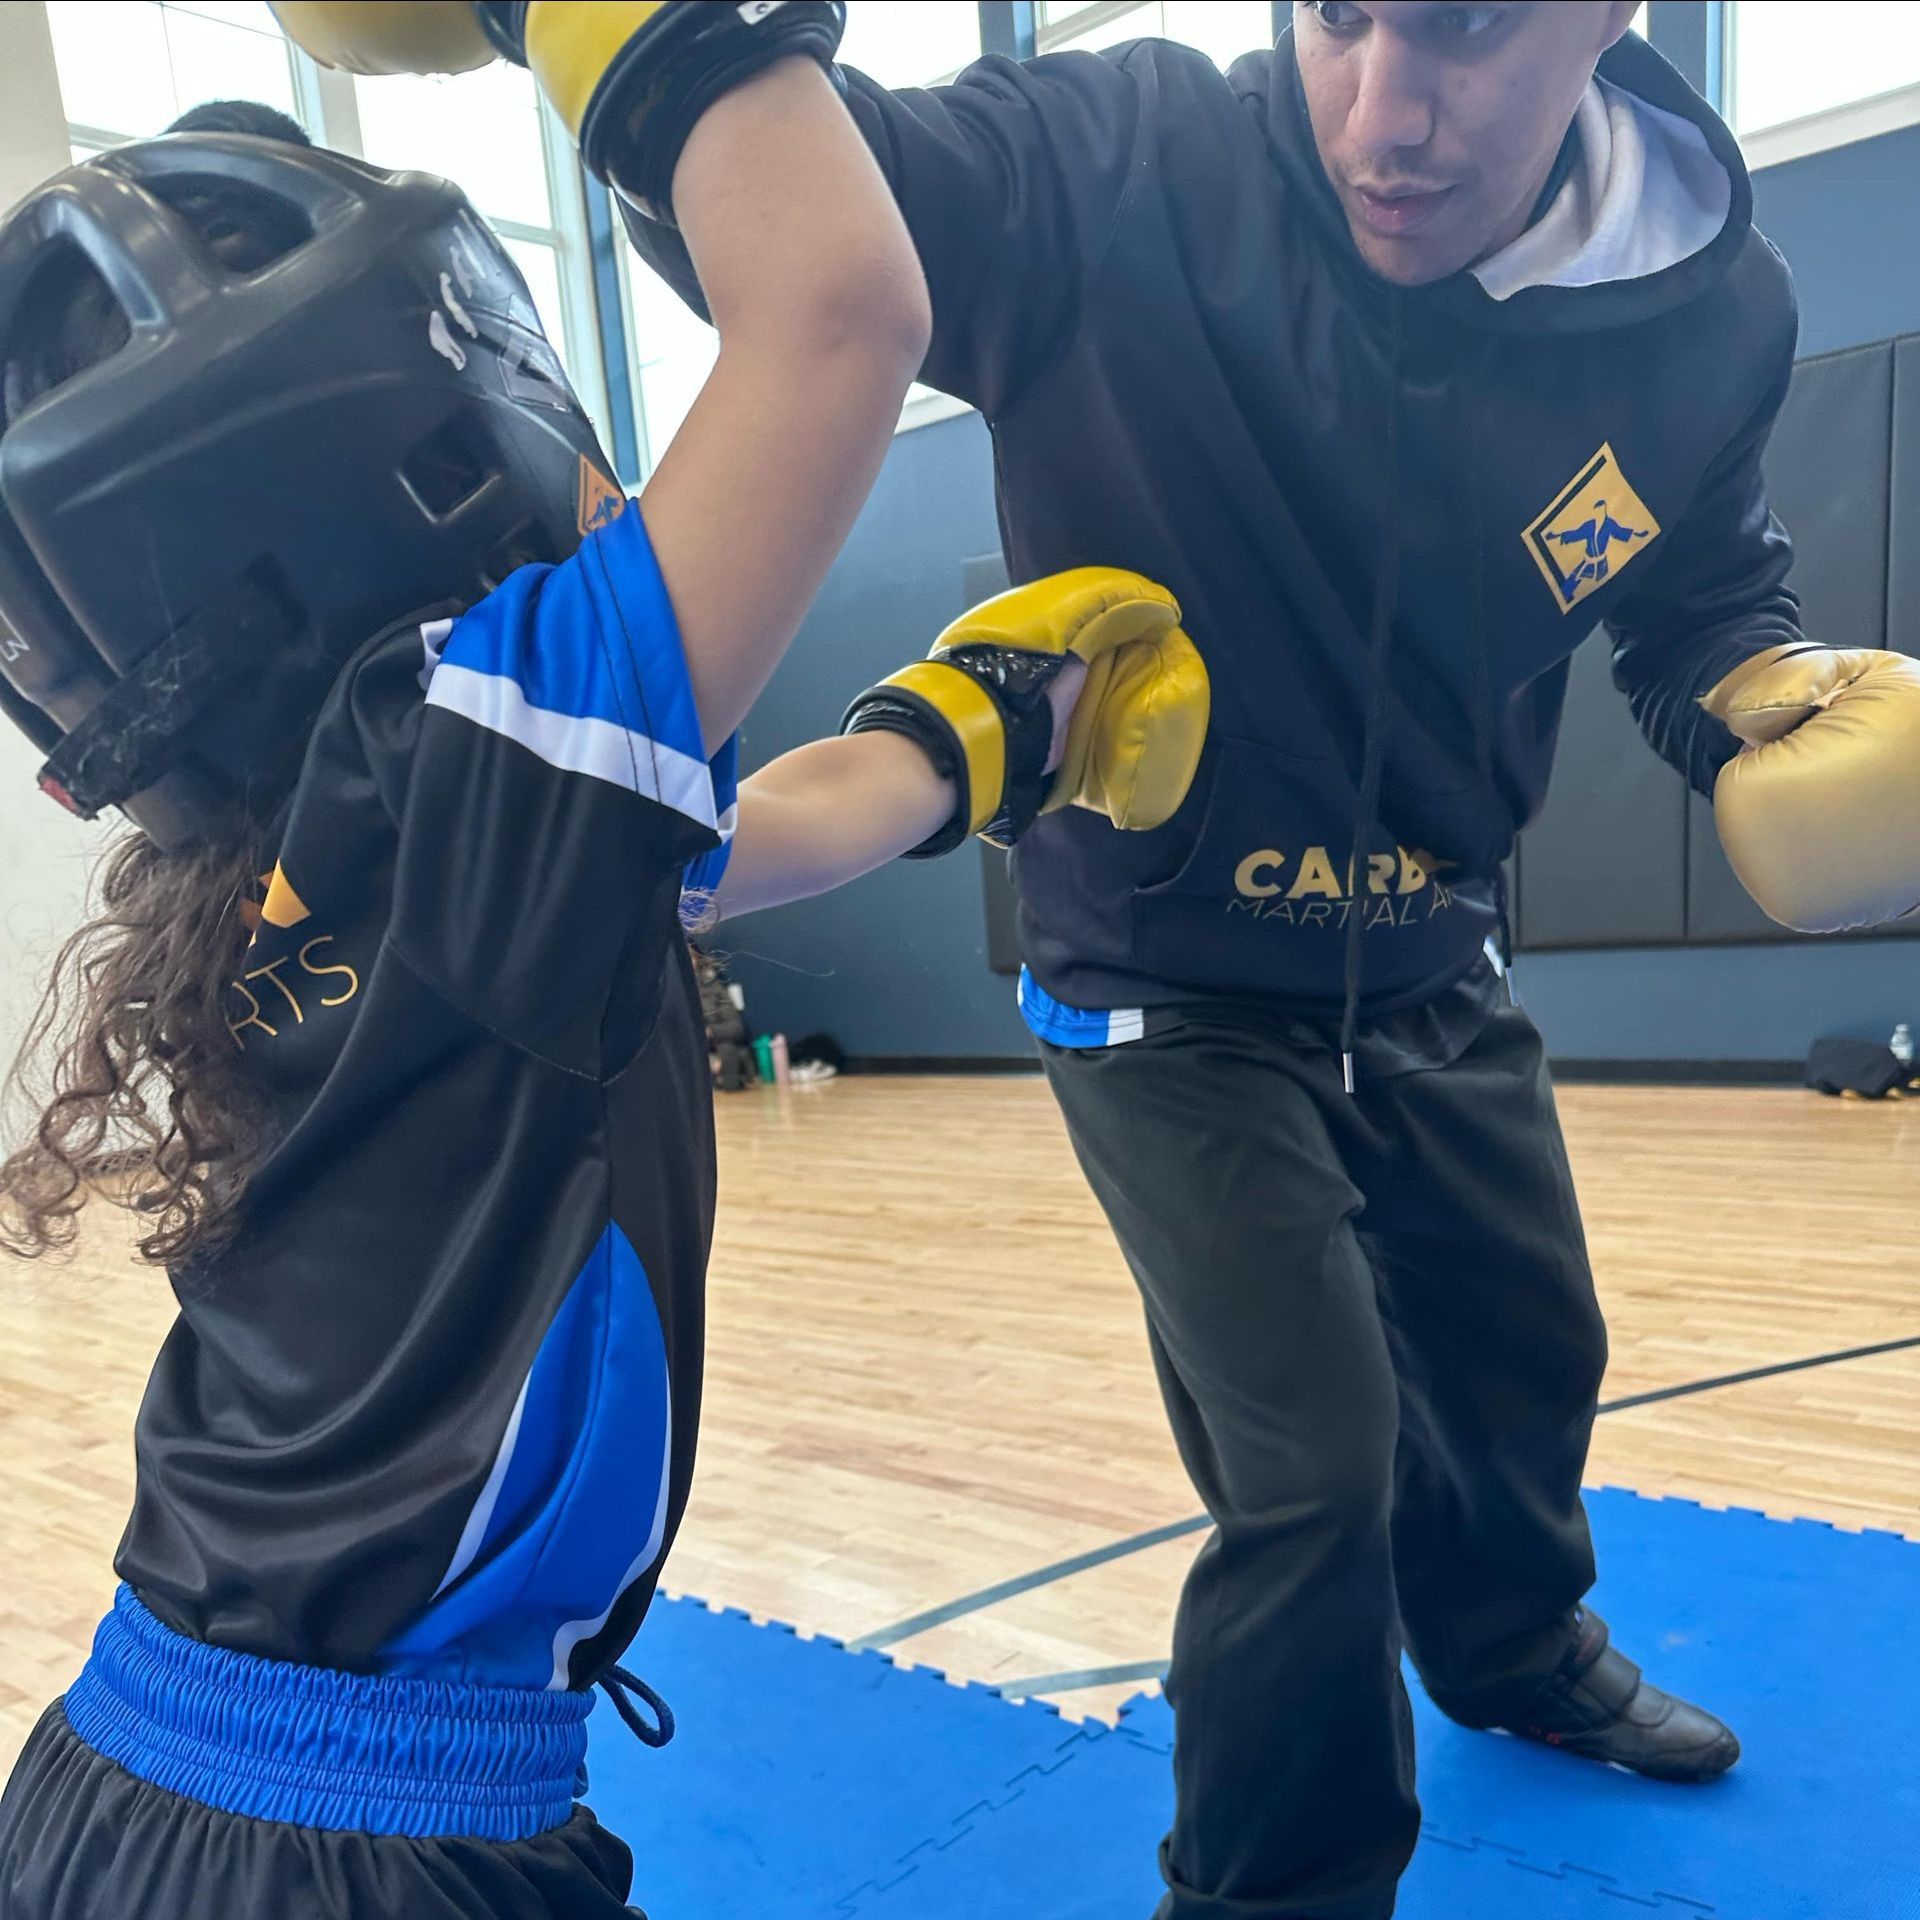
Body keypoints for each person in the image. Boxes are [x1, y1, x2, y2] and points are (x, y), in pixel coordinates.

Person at [621, 3, 1920, 1916]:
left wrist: (1759, 692)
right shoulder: (1115, 160)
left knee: (1523, 1349)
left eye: (1467, 36)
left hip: (1434, 953)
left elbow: (1692, 584)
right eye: (1339, 19)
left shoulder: (1703, 308)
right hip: (1161, 980)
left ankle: (1510, 1650)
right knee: (1310, 1474)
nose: (1382, 115)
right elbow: (805, 224)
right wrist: (627, 34)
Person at [0, 5, 1208, 1914]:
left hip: (132, 1779)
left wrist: (985, 728)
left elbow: (735, 851)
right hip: (351, 1851)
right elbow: (835, 312)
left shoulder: (366, 845)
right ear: (438, 464)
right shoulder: (483, 737)